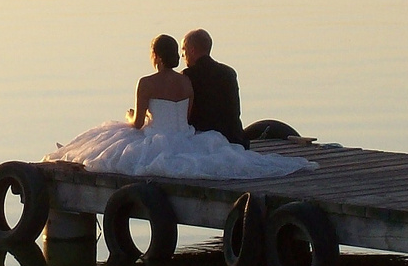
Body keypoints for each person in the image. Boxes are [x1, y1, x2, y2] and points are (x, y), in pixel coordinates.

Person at [43, 34, 314, 180]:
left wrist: (136, 117)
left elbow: (138, 124)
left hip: (157, 135)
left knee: (104, 144)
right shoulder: (187, 82)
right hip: (187, 135)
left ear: (156, 57)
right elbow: (184, 116)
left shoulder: (147, 82)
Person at [181, 29, 248, 148]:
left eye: (184, 50)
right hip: (233, 137)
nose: (182, 56)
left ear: (192, 50)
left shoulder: (187, 76)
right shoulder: (229, 72)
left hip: (205, 139)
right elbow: (235, 110)